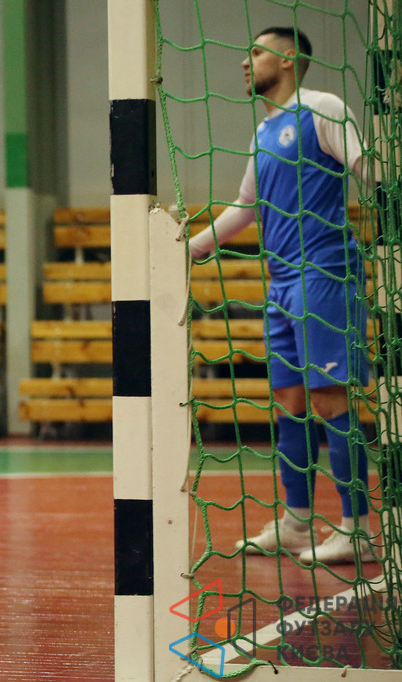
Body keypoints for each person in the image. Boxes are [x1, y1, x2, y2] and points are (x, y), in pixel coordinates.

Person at [189, 27, 376, 565]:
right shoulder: (264, 130)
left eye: (255, 51)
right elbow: (246, 205)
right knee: (290, 405)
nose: (245, 62)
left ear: (288, 58)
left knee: (329, 401)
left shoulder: (323, 108)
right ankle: (296, 524)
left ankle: (357, 529)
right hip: (282, 282)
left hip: (326, 275)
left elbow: (370, 172)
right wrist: (193, 246)